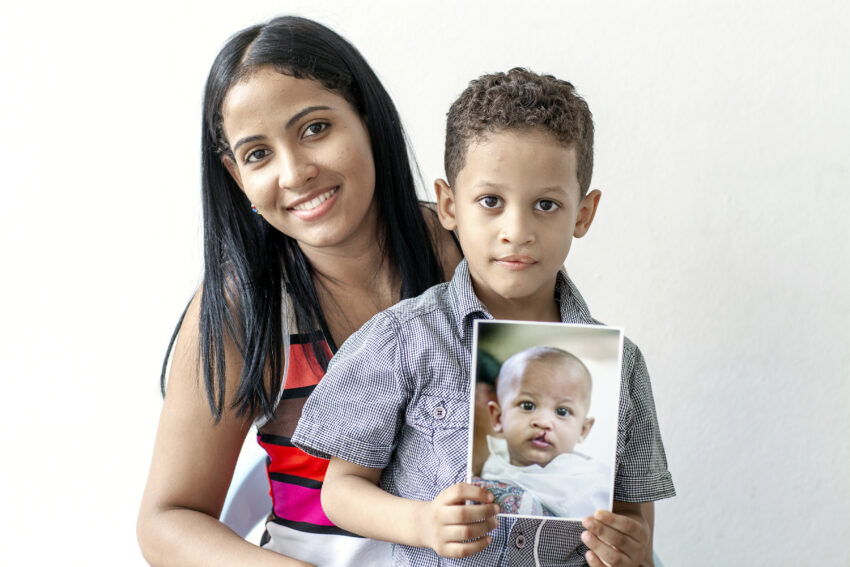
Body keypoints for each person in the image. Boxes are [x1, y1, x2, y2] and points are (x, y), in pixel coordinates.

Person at [292, 67, 675, 566]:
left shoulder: (620, 365)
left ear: (583, 213)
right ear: (450, 205)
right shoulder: (404, 339)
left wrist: (631, 551)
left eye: (546, 204)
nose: (517, 231)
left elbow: (634, 517)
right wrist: (422, 522)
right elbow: (339, 492)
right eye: (491, 202)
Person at [136, 16, 461, 567]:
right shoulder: (247, 306)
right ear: (237, 178)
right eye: (258, 154)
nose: (295, 172)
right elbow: (166, 522)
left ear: (365, 115)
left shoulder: (466, 259)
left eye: (314, 128)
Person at [476, 346, 611, 519]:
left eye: (562, 412)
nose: (544, 422)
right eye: (528, 406)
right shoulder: (491, 465)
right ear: (498, 418)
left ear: (583, 430)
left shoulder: (589, 484)